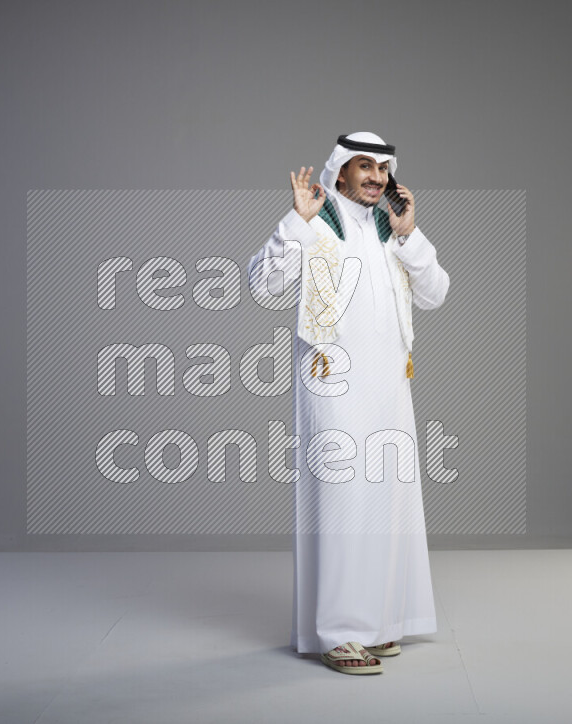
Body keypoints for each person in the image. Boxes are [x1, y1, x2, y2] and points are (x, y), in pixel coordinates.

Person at [247, 132, 450, 675]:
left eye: (383, 169)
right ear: (340, 171)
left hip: (391, 386)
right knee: (342, 505)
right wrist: (295, 223)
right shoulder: (316, 223)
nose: (377, 178)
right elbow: (263, 286)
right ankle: (339, 632)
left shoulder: (392, 229)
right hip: (332, 384)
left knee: (388, 503)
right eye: (365, 166)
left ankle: (379, 624)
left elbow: (436, 293)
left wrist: (409, 235)